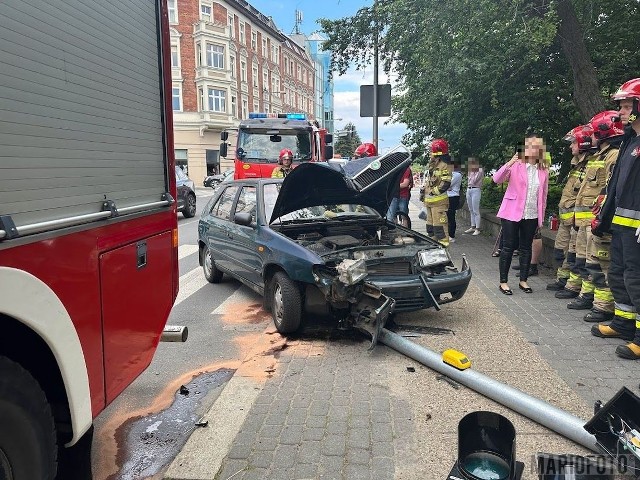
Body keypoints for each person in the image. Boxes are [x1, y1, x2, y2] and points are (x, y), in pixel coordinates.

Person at [591, 78, 640, 359]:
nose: (620, 112)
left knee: (637, 279)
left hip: (637, 229)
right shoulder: (629, 141)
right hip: (622, 224)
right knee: (619, 275)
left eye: (625, 105)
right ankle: (623, 323)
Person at [557, 111, 622, 320]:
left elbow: (609, 191)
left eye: (592, 133)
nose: (589, 137)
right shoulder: (598, 157)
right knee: (588, 262)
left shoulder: (612, 156)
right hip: (585, 221)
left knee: (600, 264)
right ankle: (589, 297)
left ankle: (603, 306)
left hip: (596, 221)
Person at [493, 134, 549, 295]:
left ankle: (523, 280)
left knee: (526, 247)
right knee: (508, 247)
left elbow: (543, 196)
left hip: (531, 213)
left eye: (536, 146)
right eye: (529, 145)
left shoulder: (543, 170)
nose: (532, 149)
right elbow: (497, 179)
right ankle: (503, 282)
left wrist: (541, 217)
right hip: (511, 212)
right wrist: (510, 162)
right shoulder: (516, 166)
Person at [546, 125, 592, 291]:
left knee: (573, 254)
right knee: (561, 252)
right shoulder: (576, 165)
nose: (570, 146)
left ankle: (573, 286)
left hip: (576, 220)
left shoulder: (589, 165)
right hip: (566, 220)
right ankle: (563, 280)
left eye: (573, 143)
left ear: (583, 143)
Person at [423, 139, 453, 245]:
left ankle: (444, 251)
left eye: (432, 151)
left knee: (440, 230)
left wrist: (432, 193)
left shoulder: (445, 165)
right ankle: (432, 248)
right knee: (431, 229)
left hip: (439, 204)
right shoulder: (434, 164)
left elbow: (445, 184)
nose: (430, 153)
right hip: (430, 203)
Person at [464, 157, 483, 235]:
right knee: (471, 210)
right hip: (469, 189)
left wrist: (471, 176)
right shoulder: (470, 171)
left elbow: (474, 180)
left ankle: (477, 229)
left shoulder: (480, 170)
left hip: (476, 189)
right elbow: (469, 181)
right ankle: (472, 227)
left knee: (476, 210)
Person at [446, 162, 462, 242]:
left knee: (451, 216)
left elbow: (447, 184)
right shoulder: (449, 174)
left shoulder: (457, 175)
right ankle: (446, 233)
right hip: (447, 196)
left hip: (453, 197)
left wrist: (446, 186)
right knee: (446, 216)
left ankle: (451, 235)